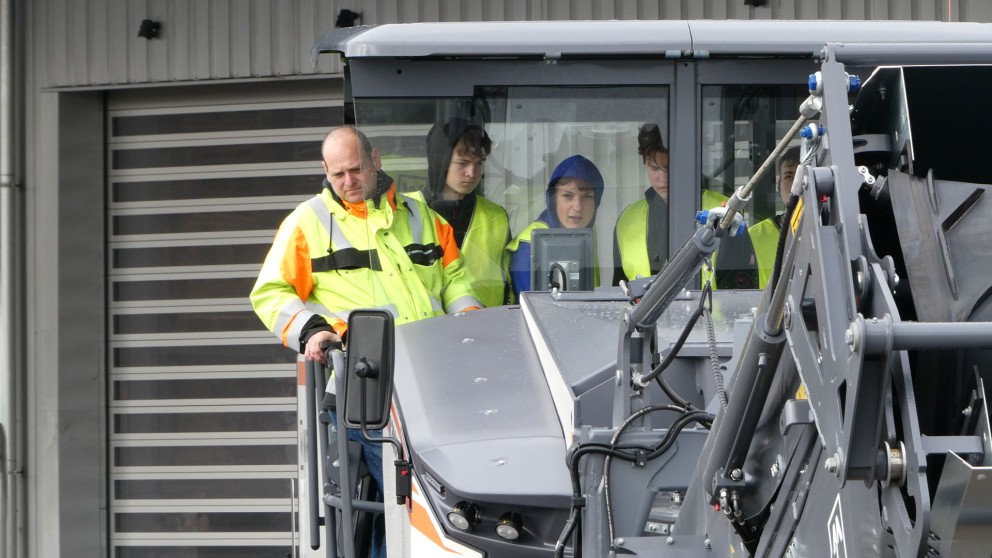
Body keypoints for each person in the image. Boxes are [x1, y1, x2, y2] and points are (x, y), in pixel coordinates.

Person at [249, 126, 481, 557]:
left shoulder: (420, 215)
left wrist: (468, 323)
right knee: (408, 495)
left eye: (356, 169)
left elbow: (453, 279)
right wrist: (314, 330)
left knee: (402, 502)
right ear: (325, 171)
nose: (349, 181)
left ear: (375, 159)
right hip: (366, 387)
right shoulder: (307, 223)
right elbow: (270, 293)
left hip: (432, 380)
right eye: (338, 174)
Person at [406, 118, 512, 307]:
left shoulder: (496, 216)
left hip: (486, 326)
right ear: (440, 162)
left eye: (479, 163)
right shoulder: (403, 211)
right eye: (462, 163)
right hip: (424, 329)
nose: (472, 172)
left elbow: (508, 284)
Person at [506, 154, 605, 298]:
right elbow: (538, 313)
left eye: (587, 196)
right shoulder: (529, 247)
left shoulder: (586, 232)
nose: (577, 206)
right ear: (553, 200)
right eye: (568, 196)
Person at [613, 124, 672, 285]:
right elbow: (619, 291)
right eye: (655, 168)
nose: (663, 178)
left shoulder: (723, 213)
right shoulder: (626, 221)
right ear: (644, 164)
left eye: (670, 167)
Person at [748, 145, 800, 288]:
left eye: (804, 175)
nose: (797, 184)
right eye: (789, 176)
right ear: (778, 186)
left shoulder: (832, 232)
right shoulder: (753, 238)